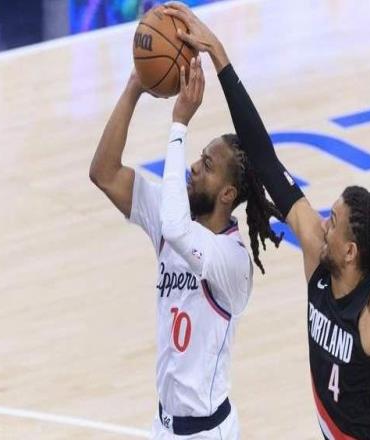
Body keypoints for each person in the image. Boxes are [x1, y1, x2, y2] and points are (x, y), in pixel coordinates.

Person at [163, 3, 370, 439]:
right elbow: (264, 158)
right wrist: (220, 56)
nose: (321, 223)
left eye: (332, 221)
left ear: (351, 251)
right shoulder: (319, 258)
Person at [89, 57, 282, 439]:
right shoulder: (173, 216)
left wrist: (179, 123)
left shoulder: (232, 260)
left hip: (206, 432)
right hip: (163, 425)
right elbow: (104, 173)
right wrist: (135, 86)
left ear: (227, 194)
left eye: (207, 165)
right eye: (199, 158)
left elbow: (177, 230)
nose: (194, 166)